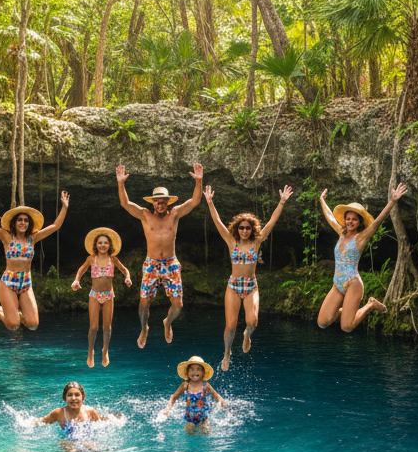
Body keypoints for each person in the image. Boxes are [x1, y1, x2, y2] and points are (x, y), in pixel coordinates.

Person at [204, 184, 293, 371]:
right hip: (233, 286)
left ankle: (247, 335)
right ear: (238, 228)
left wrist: (282, 202)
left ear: (252, 229)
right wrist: (210, 202)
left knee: (253, 322)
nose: (245, 231)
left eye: (248, 228)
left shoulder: (257, 242)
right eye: (242, 228)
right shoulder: (231, 241)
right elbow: (217, 221)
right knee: (230, 326)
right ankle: (227, 353)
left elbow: (271, 222)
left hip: (251, 285)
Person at [115, 163, 204, 347]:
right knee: (143, 302)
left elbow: (195, 201)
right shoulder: (145, 215)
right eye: (157, 201)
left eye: (163, 201)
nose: (160, 204)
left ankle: (167, 323)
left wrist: (199, 180)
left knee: (178, 305)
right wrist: (121, 183)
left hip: (171, 263)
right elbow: (125, 203)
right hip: (151, 263)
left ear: (168, 202)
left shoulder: (175, 214)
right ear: (152, 202)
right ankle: (144, 327)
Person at [0, 188, 69, 331]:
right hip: (8, 282)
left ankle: (15, 315)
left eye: (26, 220)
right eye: (20, 220)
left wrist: (64, 207)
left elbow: (55, 226)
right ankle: (1, 313)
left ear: (29, 223)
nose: (23, 223)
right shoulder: (6, 237)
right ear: (14, 222)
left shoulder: (32, 238)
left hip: (26, 283)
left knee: (33, 325)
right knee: (13, 325)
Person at [317, 184, 409, 331]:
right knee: (322, 322)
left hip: (353, 284)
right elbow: (329, 217)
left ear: (359, 222)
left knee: (346, 326)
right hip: (338, 283)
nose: (350, 222)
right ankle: (347, 311)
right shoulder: (341, 232)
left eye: (354, 219)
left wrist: (392, 201)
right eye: (348, 219)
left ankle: (371, 304)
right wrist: (322, 200)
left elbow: (378, 221)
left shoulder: (361, 238)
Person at [70, 227, 133, 367]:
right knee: (93, 327)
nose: (103, 245)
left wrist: (127, 278)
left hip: (109, 296)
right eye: (100, 243)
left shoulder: (113, 259)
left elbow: (124, 270)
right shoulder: (91, 258)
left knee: (107, 327)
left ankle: (105, 351)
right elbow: (81, 269)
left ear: (109, 245)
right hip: (94, 295)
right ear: (96, 245)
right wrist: (76, 280)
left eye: (105, 243)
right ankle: (91, 351)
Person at [35, 381, 125, 451]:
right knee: (68, 447)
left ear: (83, 397)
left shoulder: (90, 411)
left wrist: (114, 420)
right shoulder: (59, 413)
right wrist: (27, 422)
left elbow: (100, 424)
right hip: (69, 443)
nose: (73, 398)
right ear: (64, 397)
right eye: (69, 395)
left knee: (96, 449)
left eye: (77, 395)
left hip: (88, 441)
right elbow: (42, 421)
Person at [162, 356, 226, 435]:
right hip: (190, 418)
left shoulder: (206, 386)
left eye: (198, 369)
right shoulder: (185, 385)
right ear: (187, 372)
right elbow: (173, 397)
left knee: (205, 429)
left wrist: (227, 408)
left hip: (204, 417)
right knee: (189, 429)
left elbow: (217, 397)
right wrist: (167, 409)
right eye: (192, 369)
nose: (194, 372)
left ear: (202, 373)